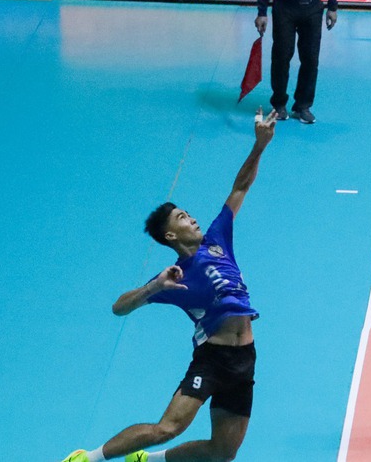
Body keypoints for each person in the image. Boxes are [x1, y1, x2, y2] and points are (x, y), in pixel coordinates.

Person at [60, 109, 278, 462]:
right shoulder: (173, 276)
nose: (191, 218)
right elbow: (120, 308)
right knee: (168, 427)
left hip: (245, 356)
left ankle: (149, 460)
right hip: (214, 358)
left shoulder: (217, 237)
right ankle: (88, 457)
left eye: (188, 213)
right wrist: (153, 287)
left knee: (223, 452)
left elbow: (240, 186)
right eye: (182, 218)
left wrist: (259, 146)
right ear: (171, 235)